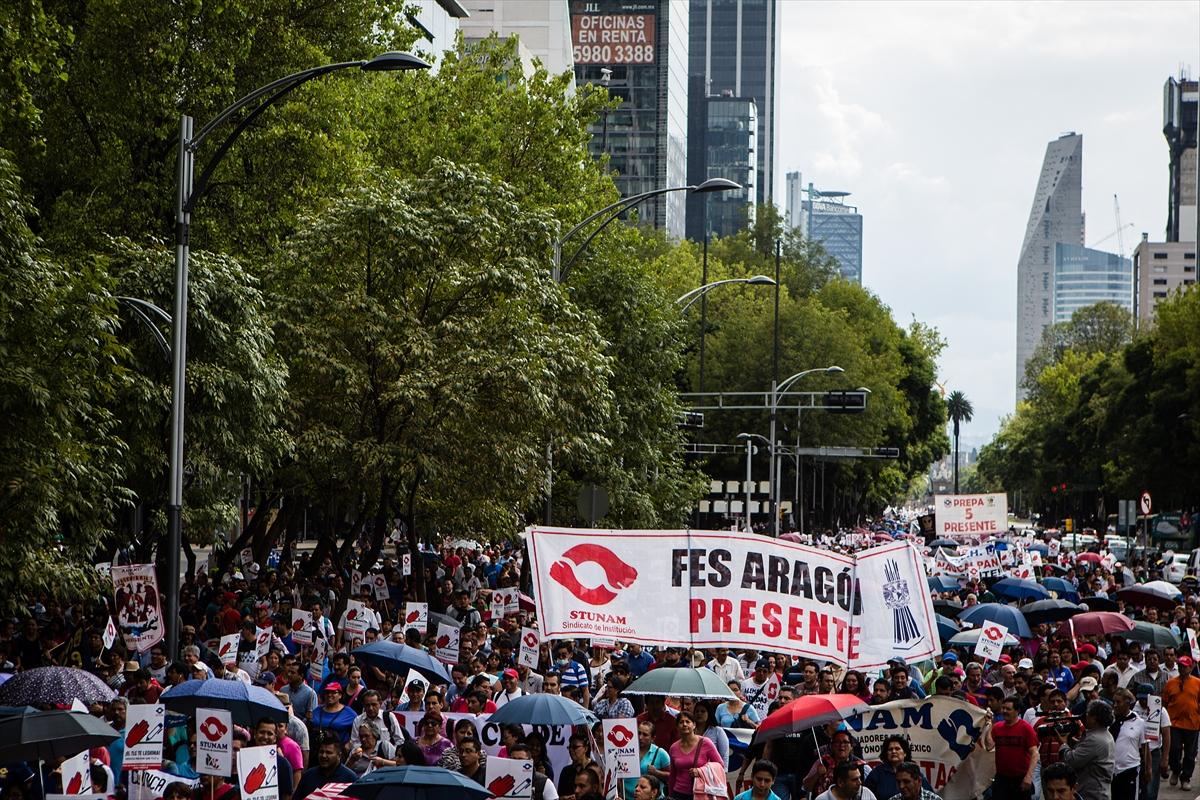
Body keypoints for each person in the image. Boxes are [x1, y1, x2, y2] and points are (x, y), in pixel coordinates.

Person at [1056, 699, 1116, 800]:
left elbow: (1071, 761)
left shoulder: (1095, 739)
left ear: (1094, 718)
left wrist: (1063, 743)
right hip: (1098, 791)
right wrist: (1073, 742)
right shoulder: (1105, 734)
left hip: (1092, 794)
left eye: (1088, 714)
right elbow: (1087, 752)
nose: (1085, 716)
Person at [1163, 654, 1200, 790]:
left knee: (1190, 753)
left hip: (1192, 723)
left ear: (1191, 667)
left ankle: (1186, 778)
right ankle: (1176, 770)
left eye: (1185, 667)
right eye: (1180, 666)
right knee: (1174, 749)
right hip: (1174, 723)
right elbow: (1165, 702)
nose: (1182, 669)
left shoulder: (1197, 683)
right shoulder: (1171, 683)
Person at [666, 712, 722, 800]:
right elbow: (673, 774)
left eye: (688, 722)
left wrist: (700, 771)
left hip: (700, 792)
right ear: (677, 727)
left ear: (694, 725)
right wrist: (670, 794)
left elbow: (720, 765)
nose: (684, 724)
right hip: (678, 793)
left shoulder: (706, 743)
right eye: (681, 722)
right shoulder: (673, 748)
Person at [992, 697, 1038, 799]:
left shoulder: (1026, 728)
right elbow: (989, 745)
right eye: (1003, 708)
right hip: (1002, 779)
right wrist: (987, 724)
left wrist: (1028, 777)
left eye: (1008, 709)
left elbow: (1035, 754)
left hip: (1020, 778)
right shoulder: (997, 727)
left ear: (1017, 711)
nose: (1004, 711)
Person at [1134, 683, 1171, 800]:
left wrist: (1165, 758)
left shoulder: (1161, 710)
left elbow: (1166, 734)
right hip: (1136, 752)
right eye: (1141, 699)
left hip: (1154, 752)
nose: (1143, 702)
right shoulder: (1133, 707)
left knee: (1151, 788)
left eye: (1146, 699)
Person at [1108, 688, 1147, 800]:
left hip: (1130, 769)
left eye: (1118, 702)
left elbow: (1145, 747)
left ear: (1127, 702)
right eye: (1113, 702)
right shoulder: (1109, 721)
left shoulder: (1139, 722)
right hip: (1111, 771)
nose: (1115, 705)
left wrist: (1147, 769)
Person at [864, 736, 930, 800]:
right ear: (886, 753)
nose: (894, 751)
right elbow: (865, 795)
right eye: (890, 749)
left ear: (905, 753)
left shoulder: (914, 771)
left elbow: (928, 794)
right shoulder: (877, 773)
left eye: (897, 749)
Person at [293, 735, 356, 800]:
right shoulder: (308, 776)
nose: (324, 756)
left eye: (328, 753)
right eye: (321, 752)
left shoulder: (350, 779)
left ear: (339, 755)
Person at [624, 720, 670, 798]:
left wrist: (657, 772)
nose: (640, 737)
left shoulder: (660, 753)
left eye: (645, 735)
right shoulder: (625, 750)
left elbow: (671, 776)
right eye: (639, 733)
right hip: (627, 797)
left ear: (653, 738)